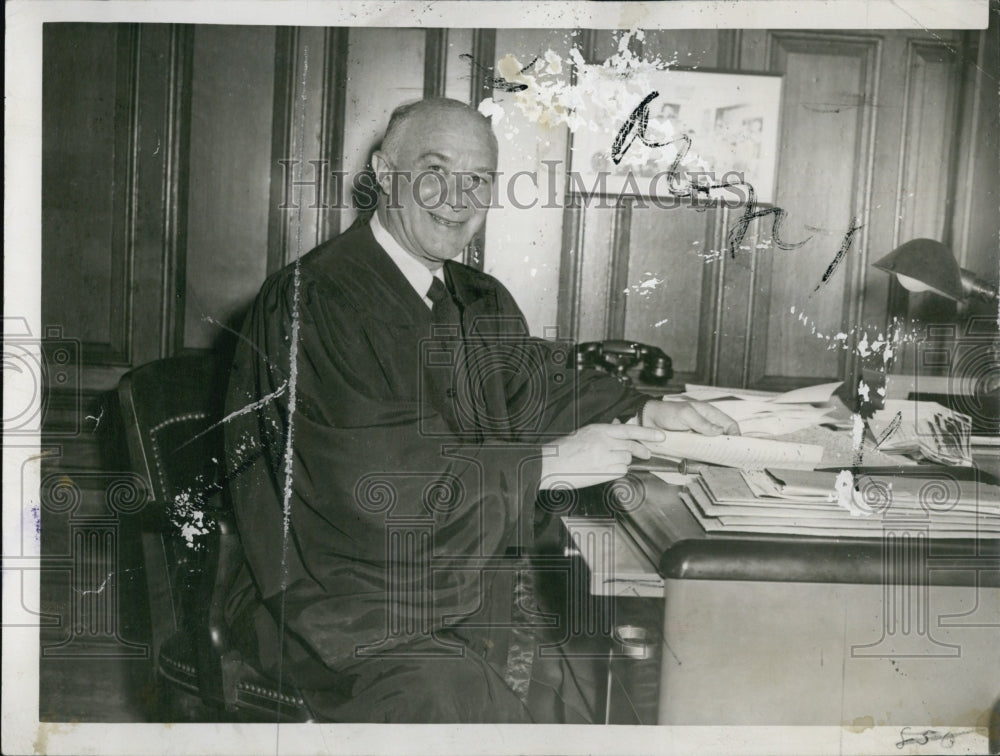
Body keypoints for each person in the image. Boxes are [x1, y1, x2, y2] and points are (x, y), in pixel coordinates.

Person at [223, 97, 737, 723]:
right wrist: (543, 466)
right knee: (477, 703)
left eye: (479, 181)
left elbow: (532, 388)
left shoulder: (478, 298)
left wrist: (644, 410)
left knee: (603, 680)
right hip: (338, 602)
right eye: (435, 171)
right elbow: (373, 487)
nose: (457, 199)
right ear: (385, 175)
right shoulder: (318, 299)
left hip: (449, 589)